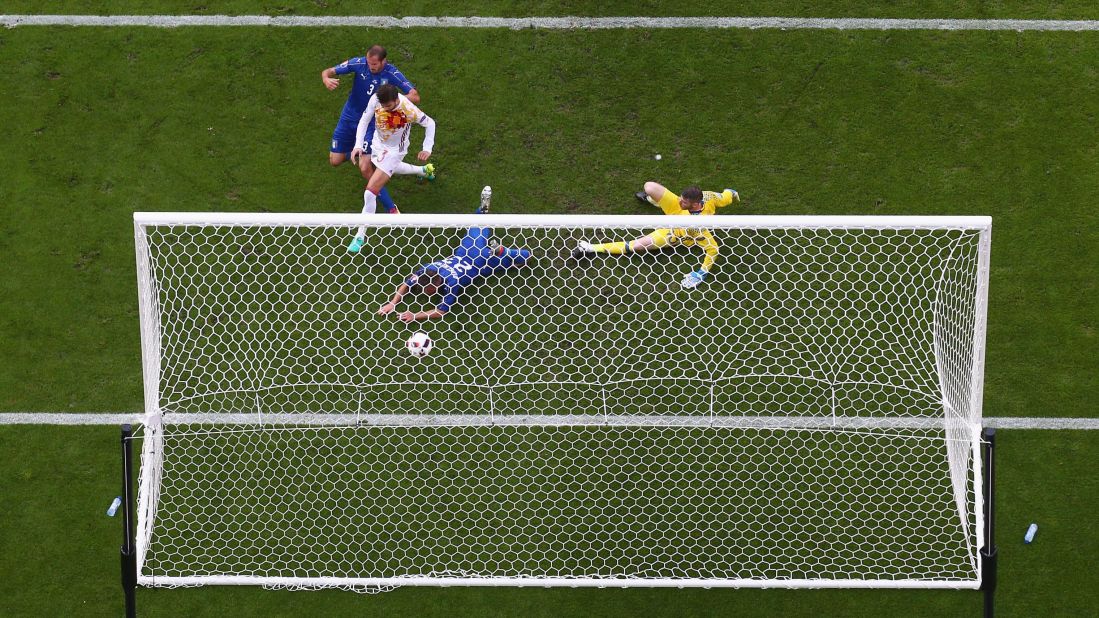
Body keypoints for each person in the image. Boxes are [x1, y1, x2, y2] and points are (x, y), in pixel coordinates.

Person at [377, 187, 532, 321]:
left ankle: (503, 252)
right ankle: (484, 213)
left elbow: (441, 311)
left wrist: (415, 315)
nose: (424, 291)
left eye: (427, 289)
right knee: (478, 222)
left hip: (480, 263)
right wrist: (392, 303)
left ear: (437, 284)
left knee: (525, 257)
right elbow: (407, 284)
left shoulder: (452, 283)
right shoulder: (426, 270)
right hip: (467, 250)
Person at [322, 45, 428, 213]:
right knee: (335, 160)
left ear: (383, 61)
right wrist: (326, 78)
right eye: (369, 63)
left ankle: (391, 208)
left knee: (365, 167)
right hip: (349, 117)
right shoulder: (359, 63)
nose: (371, 67)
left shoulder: (392, 73)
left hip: (372, 121)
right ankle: (369, 152)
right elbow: (328, 71)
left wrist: (391, 100)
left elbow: (415, 96)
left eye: (375, 64)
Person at [572, 182, 740, 289]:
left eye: (685, 202)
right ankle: (653, 201)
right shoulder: (705, 196)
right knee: (649, 187)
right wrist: (731, 193)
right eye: (681, 198)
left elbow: (714, 250)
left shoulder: (699, 228)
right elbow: (725, 197)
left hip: (672, 234)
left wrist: (700, 273)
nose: (681, 202)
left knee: (636, 246)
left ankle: (590, 248)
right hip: (675, 213)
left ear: (695, 204)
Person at [347, 84, 437, 252]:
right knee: (389, 168)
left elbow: (430, 123)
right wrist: (358, 145)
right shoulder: (377, 99)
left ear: (396, 100)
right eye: (383, 106)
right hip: (378, 144)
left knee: (370, 192)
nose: (384, 109)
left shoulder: (408, 109)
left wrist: (427, 148)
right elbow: (365, 119)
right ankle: (423, 170)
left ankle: (360, 235)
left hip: (395, 152)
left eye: (388, 106)